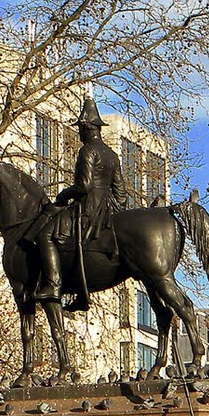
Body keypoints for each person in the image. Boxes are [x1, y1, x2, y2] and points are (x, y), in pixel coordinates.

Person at [33, 96, 128, 311]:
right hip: (107, 210)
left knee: (45, 235)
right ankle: (77, 290)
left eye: (80, 128)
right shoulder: (112, 155)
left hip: (87, 208)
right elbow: (120, 193)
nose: (78, 132)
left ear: (86, 128)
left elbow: (84, 185)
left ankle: (53, 285)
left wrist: (64, 195)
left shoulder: (87, 151)